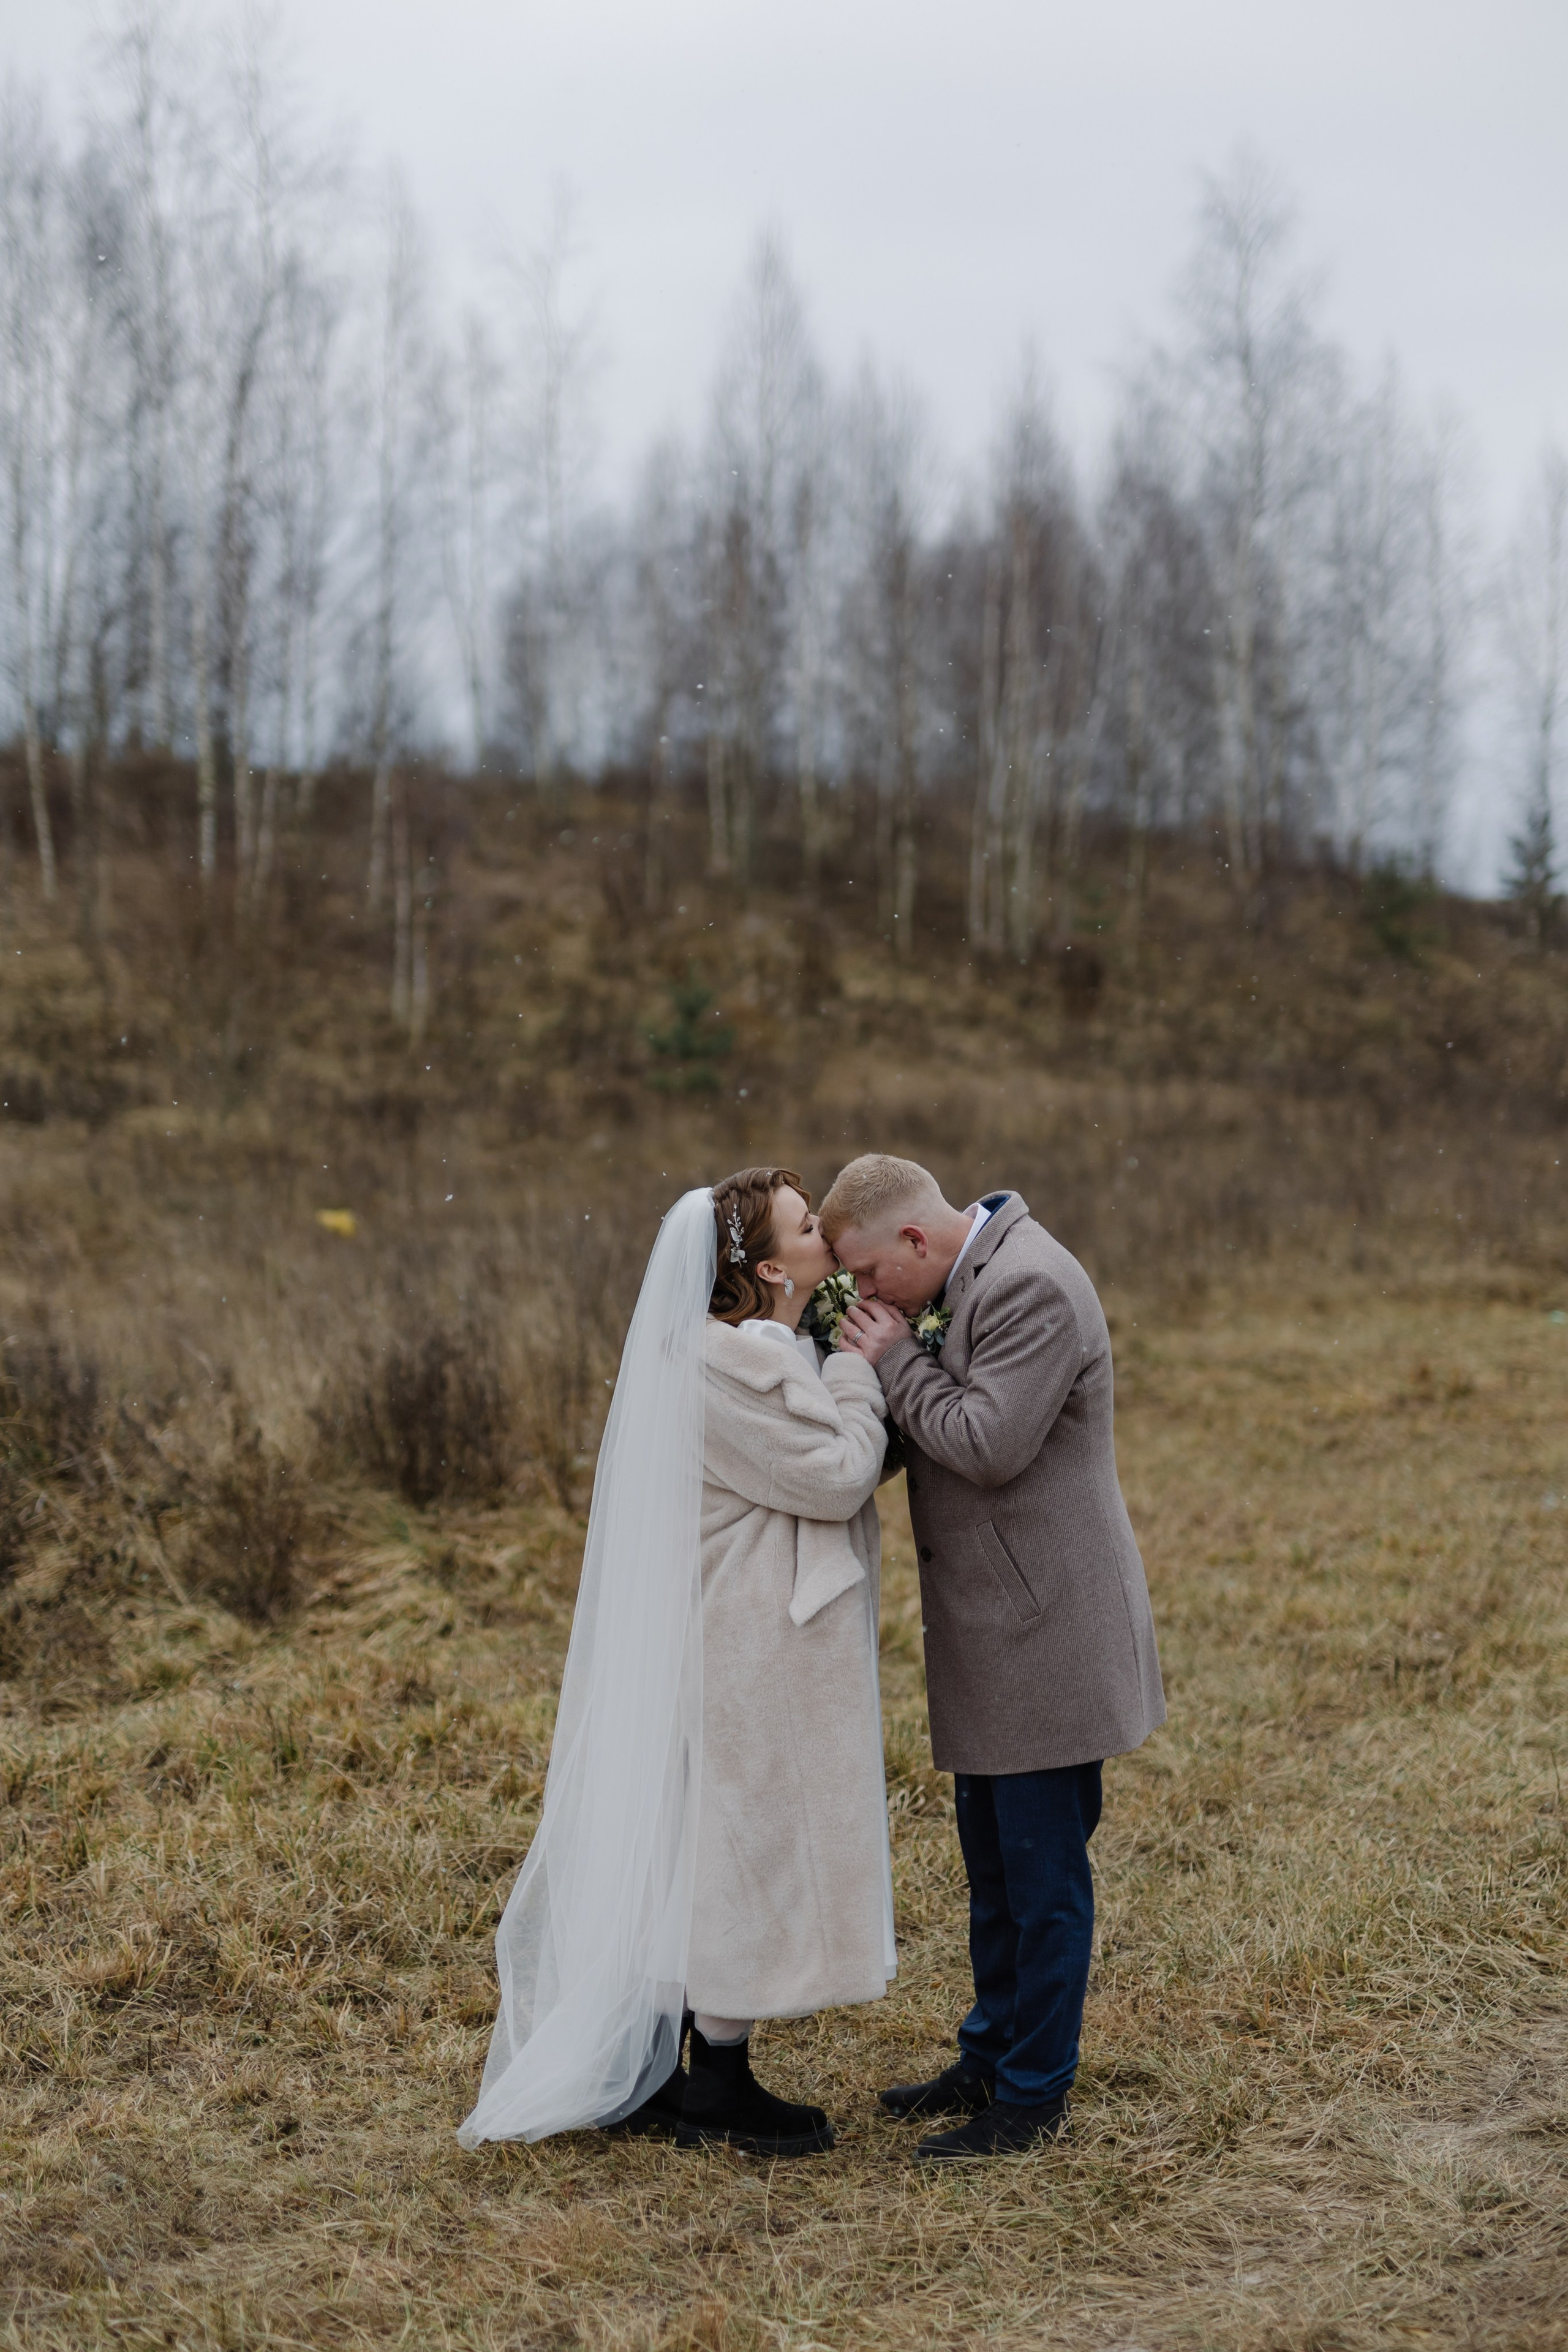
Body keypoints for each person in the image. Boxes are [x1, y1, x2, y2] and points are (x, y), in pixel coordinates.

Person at [457, 1167, 894, 2159]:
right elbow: (831, 1476)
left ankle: (666, 2069)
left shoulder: (745, 1352)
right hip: (745, 1635)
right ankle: (717, 2086)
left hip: (736, 1628)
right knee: (738, 1846)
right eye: (807, 1224)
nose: (827, 1231)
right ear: (773, 1266)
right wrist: (862, 1374)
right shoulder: (719, 1368)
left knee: (701, 1839)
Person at [821, 1153, 1165, 2163]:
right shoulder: (959, 1280)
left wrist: (893, 1362)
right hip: (993, 1632)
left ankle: (1031, 2097)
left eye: (872, 1276)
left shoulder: (1031, 1286)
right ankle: (989, 2054)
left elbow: (984, 1442)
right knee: (996, 1870)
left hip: (1047, 1635)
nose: (868, 1298)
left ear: (917, 1244)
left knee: (1044, 1874)